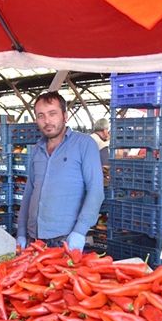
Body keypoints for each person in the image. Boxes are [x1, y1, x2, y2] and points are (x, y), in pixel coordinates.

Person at [16, 91, 104, 251]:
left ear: (65, 115)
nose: (47, 121)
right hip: (34, 239)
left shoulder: (84, 144)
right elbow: (29, 192)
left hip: (66, 239)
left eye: (52, 114)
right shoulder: (37, 149)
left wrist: (80, 231)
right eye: (41, 115)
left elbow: (96, 191)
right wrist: (21, 232)